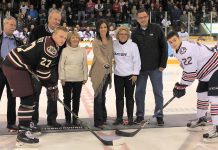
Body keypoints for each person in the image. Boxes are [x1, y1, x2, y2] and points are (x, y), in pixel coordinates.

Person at [2, 26, 68, 144]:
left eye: (65, 37)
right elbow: (42, 72)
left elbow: (40, 69)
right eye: (60, 36)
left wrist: (50, 86)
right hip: (15, 65)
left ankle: (27, 123)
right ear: (54, 35)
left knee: (30, 96)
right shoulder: (51, 48)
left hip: (17, 64)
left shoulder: (48, 40)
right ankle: (23, 132)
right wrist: (51, 87)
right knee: (28, 97)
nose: (63, 39)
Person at [167, 31, 218, 143]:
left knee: (214, 99)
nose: (173, 43)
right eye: (170, 42)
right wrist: (182, 85)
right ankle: (202, 120)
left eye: (174, 40)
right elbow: (187, 68)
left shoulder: (185, 49)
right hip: (205, 74)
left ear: (179, 38)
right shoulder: (177, 50)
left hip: (215, 69)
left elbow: (190, 72)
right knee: (201, 95)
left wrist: (181, 85)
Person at [131, 9, 168, 126]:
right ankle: (140, 115)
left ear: (148, 17)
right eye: (140, 17)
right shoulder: (135, 33)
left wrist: (163, 64)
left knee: (158, 92)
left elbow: (164, 47)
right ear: (137, 19)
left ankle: (159, 115)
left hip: (156, 68)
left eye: (145, 17)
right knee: (139, 92)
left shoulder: (157, 29)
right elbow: (133, 52)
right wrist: (134, 69)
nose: (143, 19)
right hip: (141, 69)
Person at [29, 9, 62, 127]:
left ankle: (52, 119)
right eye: (55, 19)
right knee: (34, 95)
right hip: (37, 69)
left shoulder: (61, 33)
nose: (57, 21)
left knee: (53, 95)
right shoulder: (37, 30)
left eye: (59, 19)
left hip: (52, 70)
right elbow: (30, 47)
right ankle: (33, 120)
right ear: (49, 19)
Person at [112, 26, 141, 126]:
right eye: (121, 34)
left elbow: (137, 60)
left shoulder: (133, 45)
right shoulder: (114, 44)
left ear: (128, 35)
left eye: (125, 34)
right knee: (119, 97)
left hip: (130, 76)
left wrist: (135, 74)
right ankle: (119, 118)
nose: (123, 36)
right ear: (118, 35)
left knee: (129, 98)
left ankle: (130, 119)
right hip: (118, 75)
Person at [59, 31, 88, 126]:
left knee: (76, 99)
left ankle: (75, 119)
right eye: (73, 38)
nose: (75, 39)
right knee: (67, 99)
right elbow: (61, 65)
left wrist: (85, 77)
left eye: (76, 37)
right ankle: (67, 119)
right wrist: (62, 77)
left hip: (78, 79)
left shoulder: (82, 50)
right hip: (67, 79)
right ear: (69, 40)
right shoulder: (65, 50)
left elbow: (84, 65)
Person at [89, 19, 113, 129]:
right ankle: (97, 122)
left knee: (103, 96)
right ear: (98, 29)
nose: (103, 29)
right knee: (98, 96)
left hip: (107, 72)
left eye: (105, 27)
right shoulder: (95, 41)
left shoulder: (110, 39)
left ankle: (103, 118)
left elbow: (112, 53)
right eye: (101, 27)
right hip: (98, 72)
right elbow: (98, 55)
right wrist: (105, 64)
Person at [0, 16, 23, 131]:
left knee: (12, 99)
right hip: (0, 72)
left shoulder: (18, 41)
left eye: (14, 25)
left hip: (13, 73)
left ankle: (11, 123)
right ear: (5, 25)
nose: (13, 27)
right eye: (11, 25)